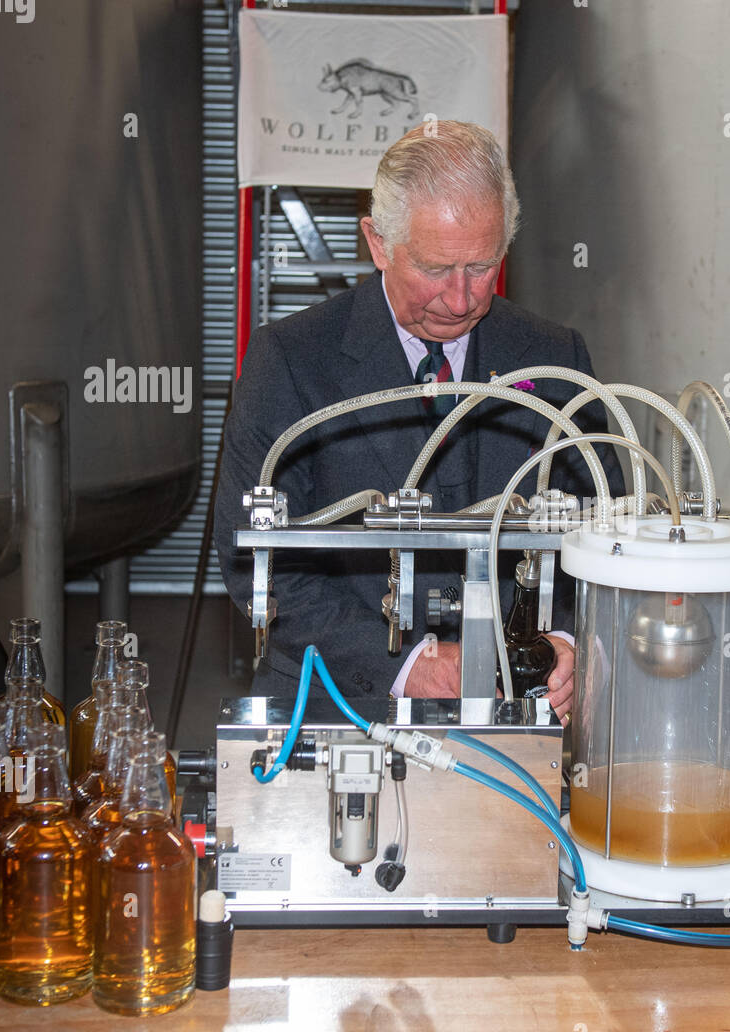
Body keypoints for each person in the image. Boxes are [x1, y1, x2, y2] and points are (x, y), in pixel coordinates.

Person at [214, 122, 619, 718]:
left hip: (522, 711)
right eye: (434, 269)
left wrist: (565, 643)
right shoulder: (292, 362)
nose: (460, 299)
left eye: (482, 267)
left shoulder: (556, 358)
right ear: (378, 243)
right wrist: (409, 667)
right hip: (340, 702)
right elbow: (255, 560)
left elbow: (607, 530)